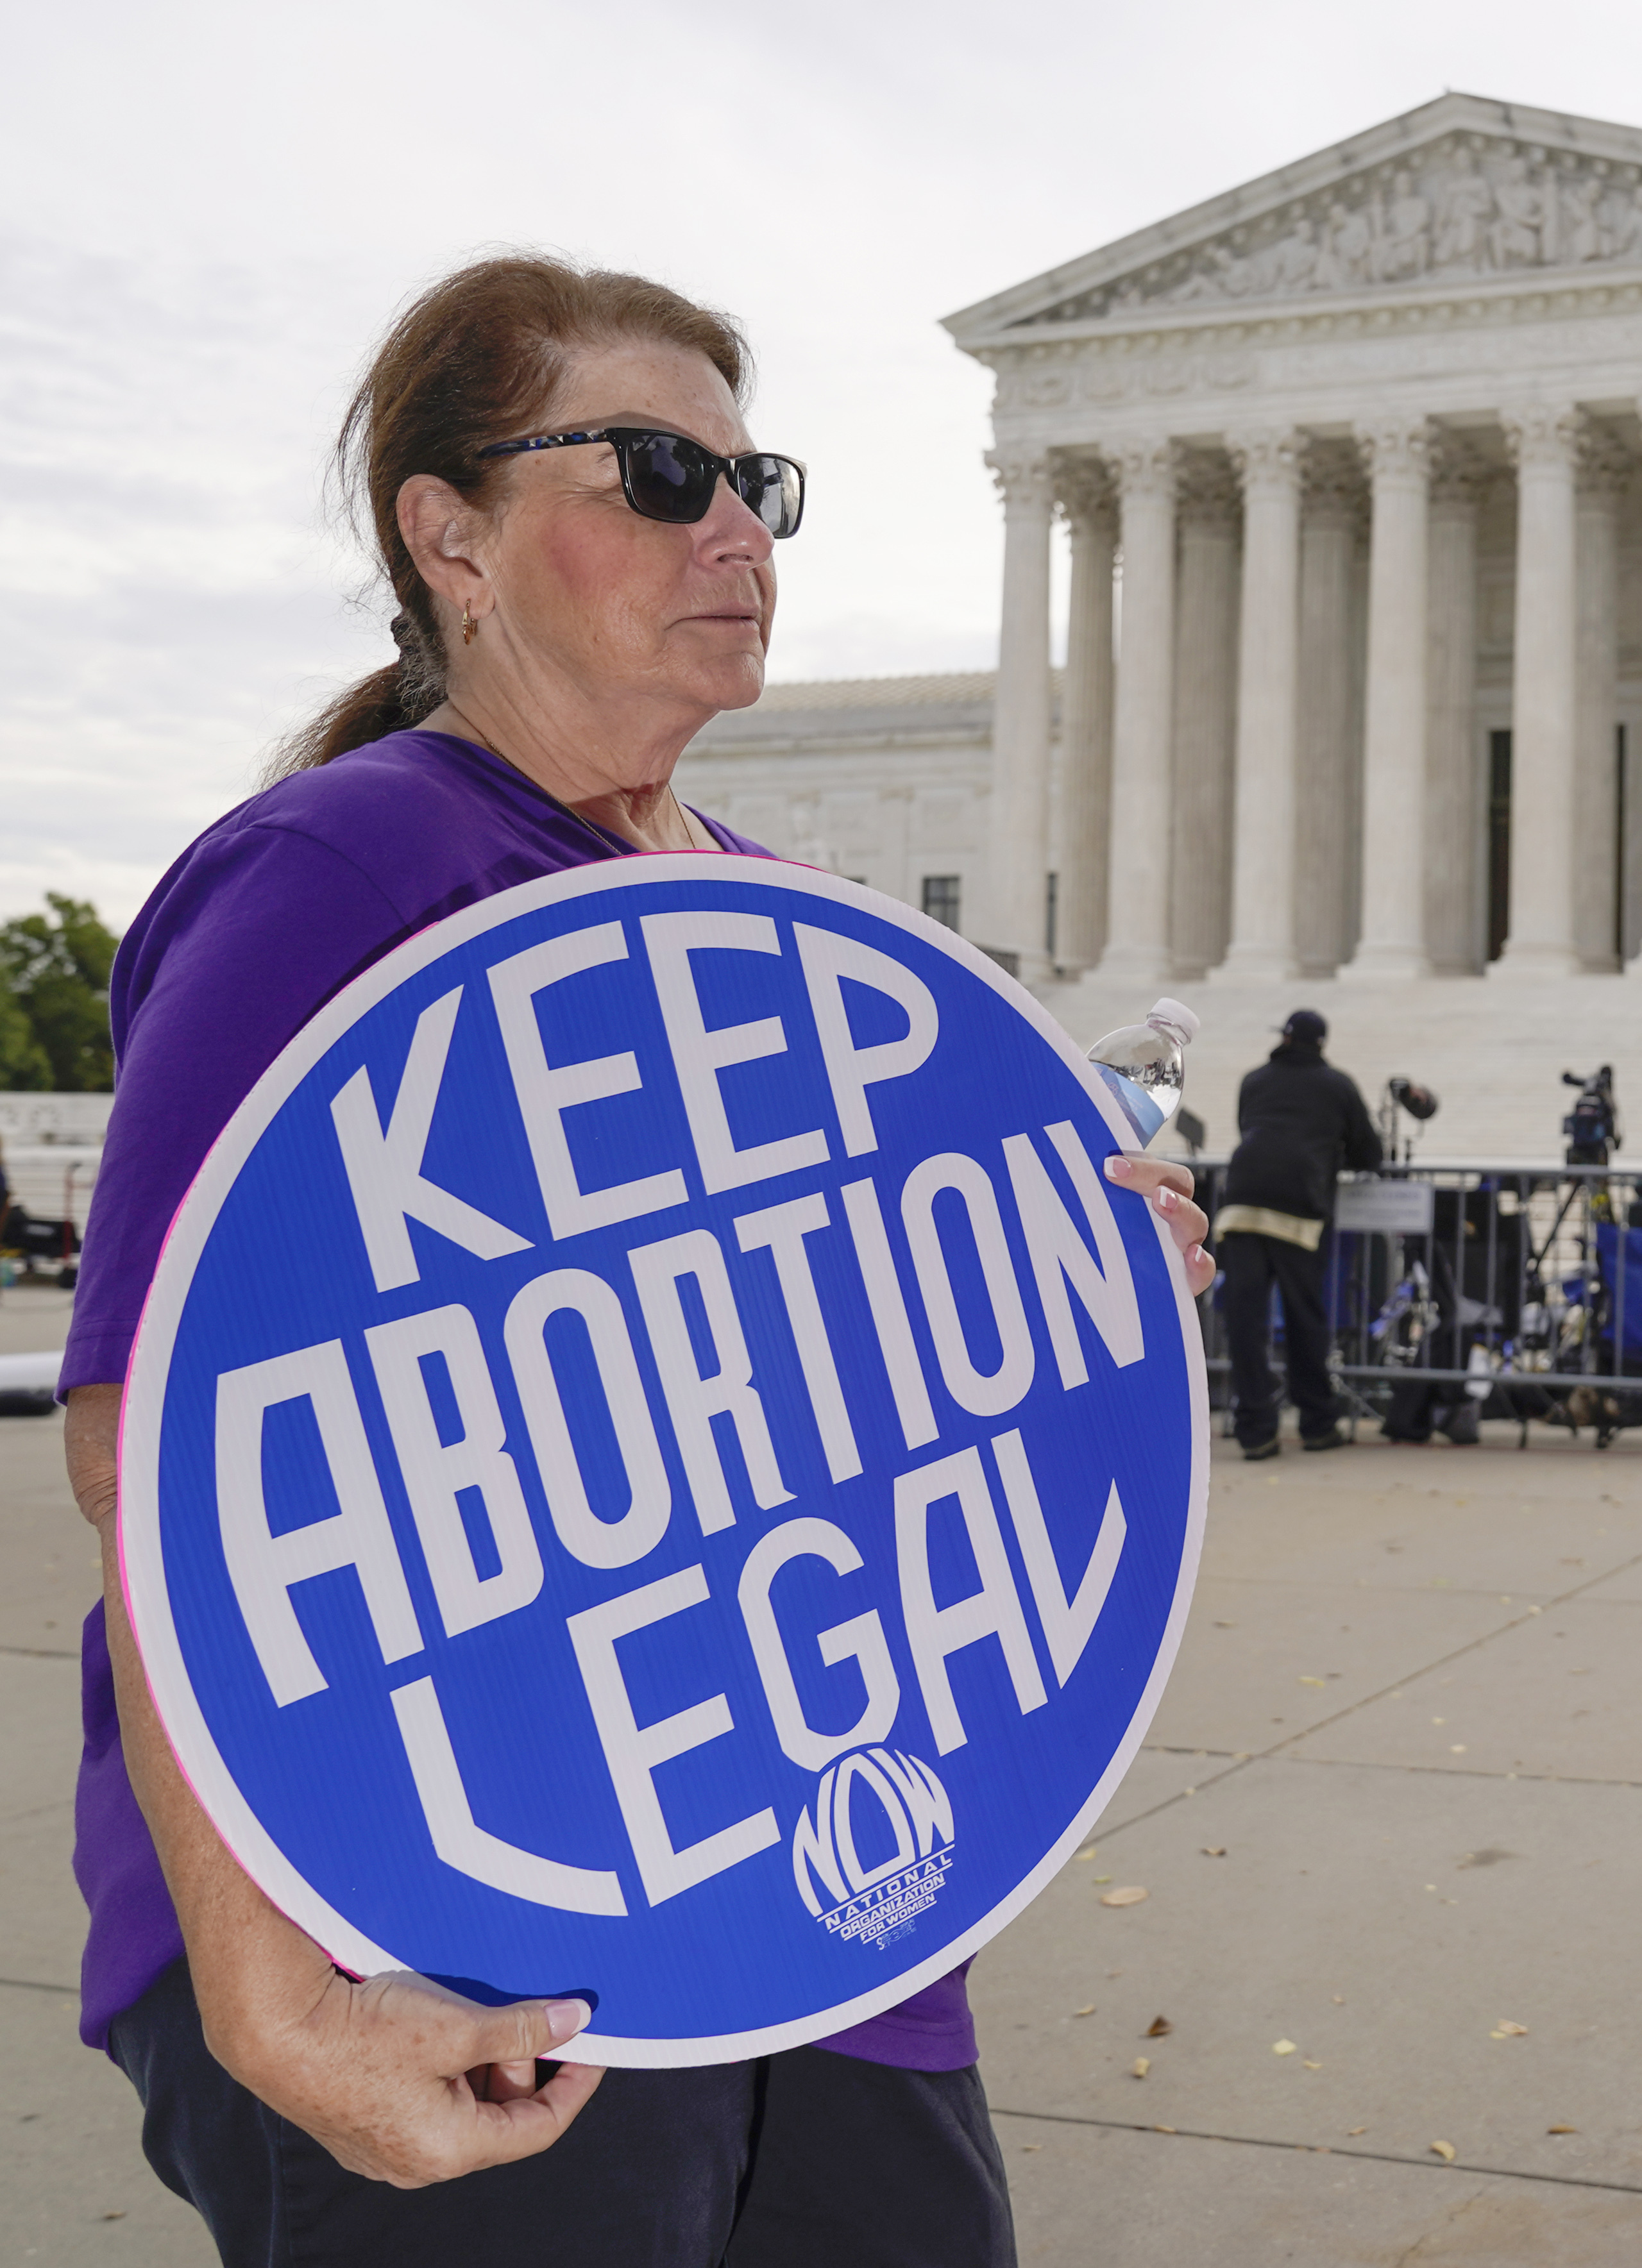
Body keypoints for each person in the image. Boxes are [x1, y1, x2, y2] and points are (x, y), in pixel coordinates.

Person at [56, 256, 1214, 2266]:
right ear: (454, 538)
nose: (737, 531)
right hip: (438, 1919)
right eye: (664, 473)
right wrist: (267, 2001)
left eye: (760, 483)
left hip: (818, 1928)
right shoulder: (347, 870)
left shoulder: (792, 927)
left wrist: (1072, 1290)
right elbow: (148, 1449)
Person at [1214, 1008, 1379, 1458]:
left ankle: (1256, 1429)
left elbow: (1248, 1126)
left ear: (1285, 1039)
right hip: (1299, 1212)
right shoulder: (1338, 1085)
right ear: (1321, 1044)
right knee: (1305, 1321)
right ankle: (1317, 1423)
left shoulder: (1254, 1080)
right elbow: (1370, 1152)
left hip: (1242, 1204)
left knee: (1246, 1323)